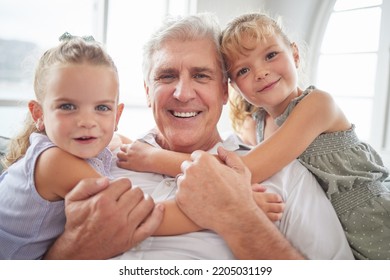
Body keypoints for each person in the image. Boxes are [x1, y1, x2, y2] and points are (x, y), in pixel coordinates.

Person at [110, 13, 353, 259]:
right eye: (167, 76)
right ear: (147, 91)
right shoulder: (101, 158)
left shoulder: (287, 176)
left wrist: (239, 217)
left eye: (201, 75)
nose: (183, 94)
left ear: (224, 92)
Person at [0, 33, 163, 259]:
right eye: (67, 106)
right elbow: (134, 214)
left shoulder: (88, 142)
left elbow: (131, 146)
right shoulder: (54, 162)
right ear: (39, 114)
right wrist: (209, 212)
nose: (87, 121)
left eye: (102, 108)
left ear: (117, 116)